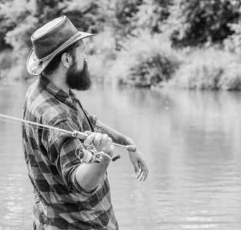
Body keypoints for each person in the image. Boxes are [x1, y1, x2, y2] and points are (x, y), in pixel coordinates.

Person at [22, 16, 149, 230]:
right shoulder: (57, 116)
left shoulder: (41, 91)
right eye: (82, 50)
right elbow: (80, 182)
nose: (86, 56)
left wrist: (128, 143)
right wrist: (103, 159)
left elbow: (88, 121)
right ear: (67, 60)